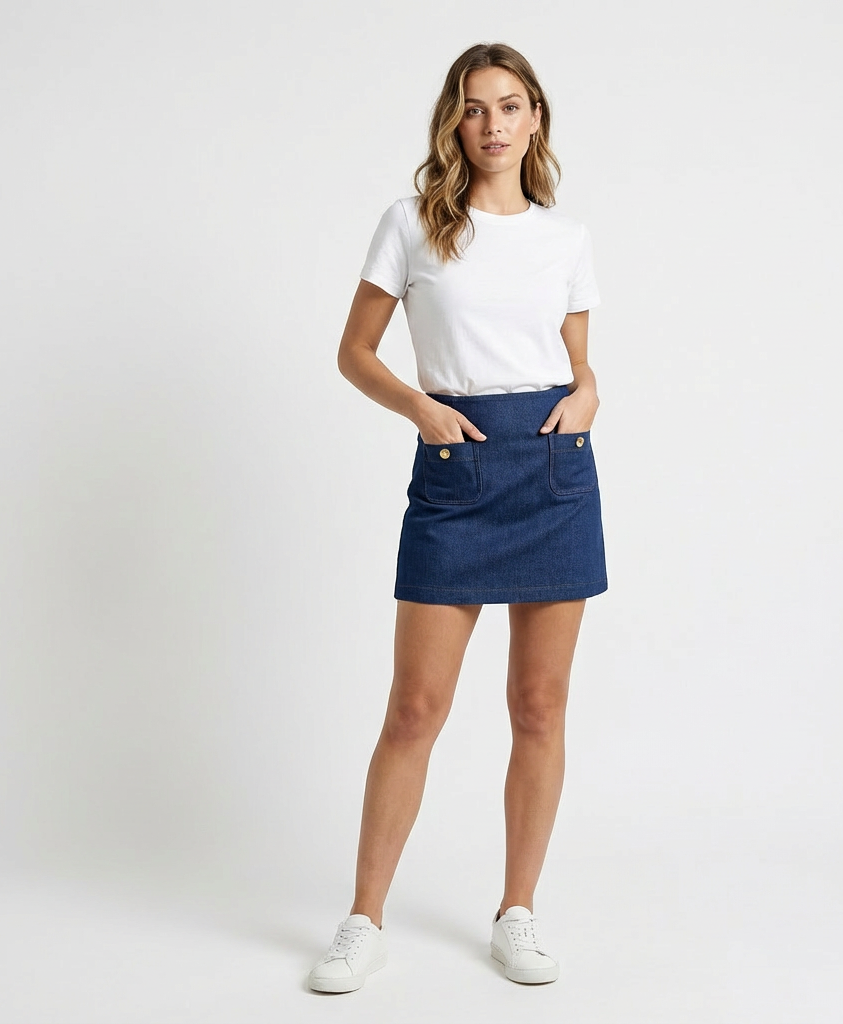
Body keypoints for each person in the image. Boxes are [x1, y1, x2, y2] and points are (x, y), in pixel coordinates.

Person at [308, 41, 607, 993]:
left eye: (510, 106)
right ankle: (363, 920)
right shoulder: (412, 225)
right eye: (475, 108)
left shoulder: (565, 238)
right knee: (416, 708)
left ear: (535, 120)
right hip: (455, 466)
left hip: (553, 467)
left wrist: (589, 395)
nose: (492, 124)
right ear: (455, 121)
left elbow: (579, 360)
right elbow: (355, 351)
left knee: (539, 707)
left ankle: (516, 911)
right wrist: (421, 409)